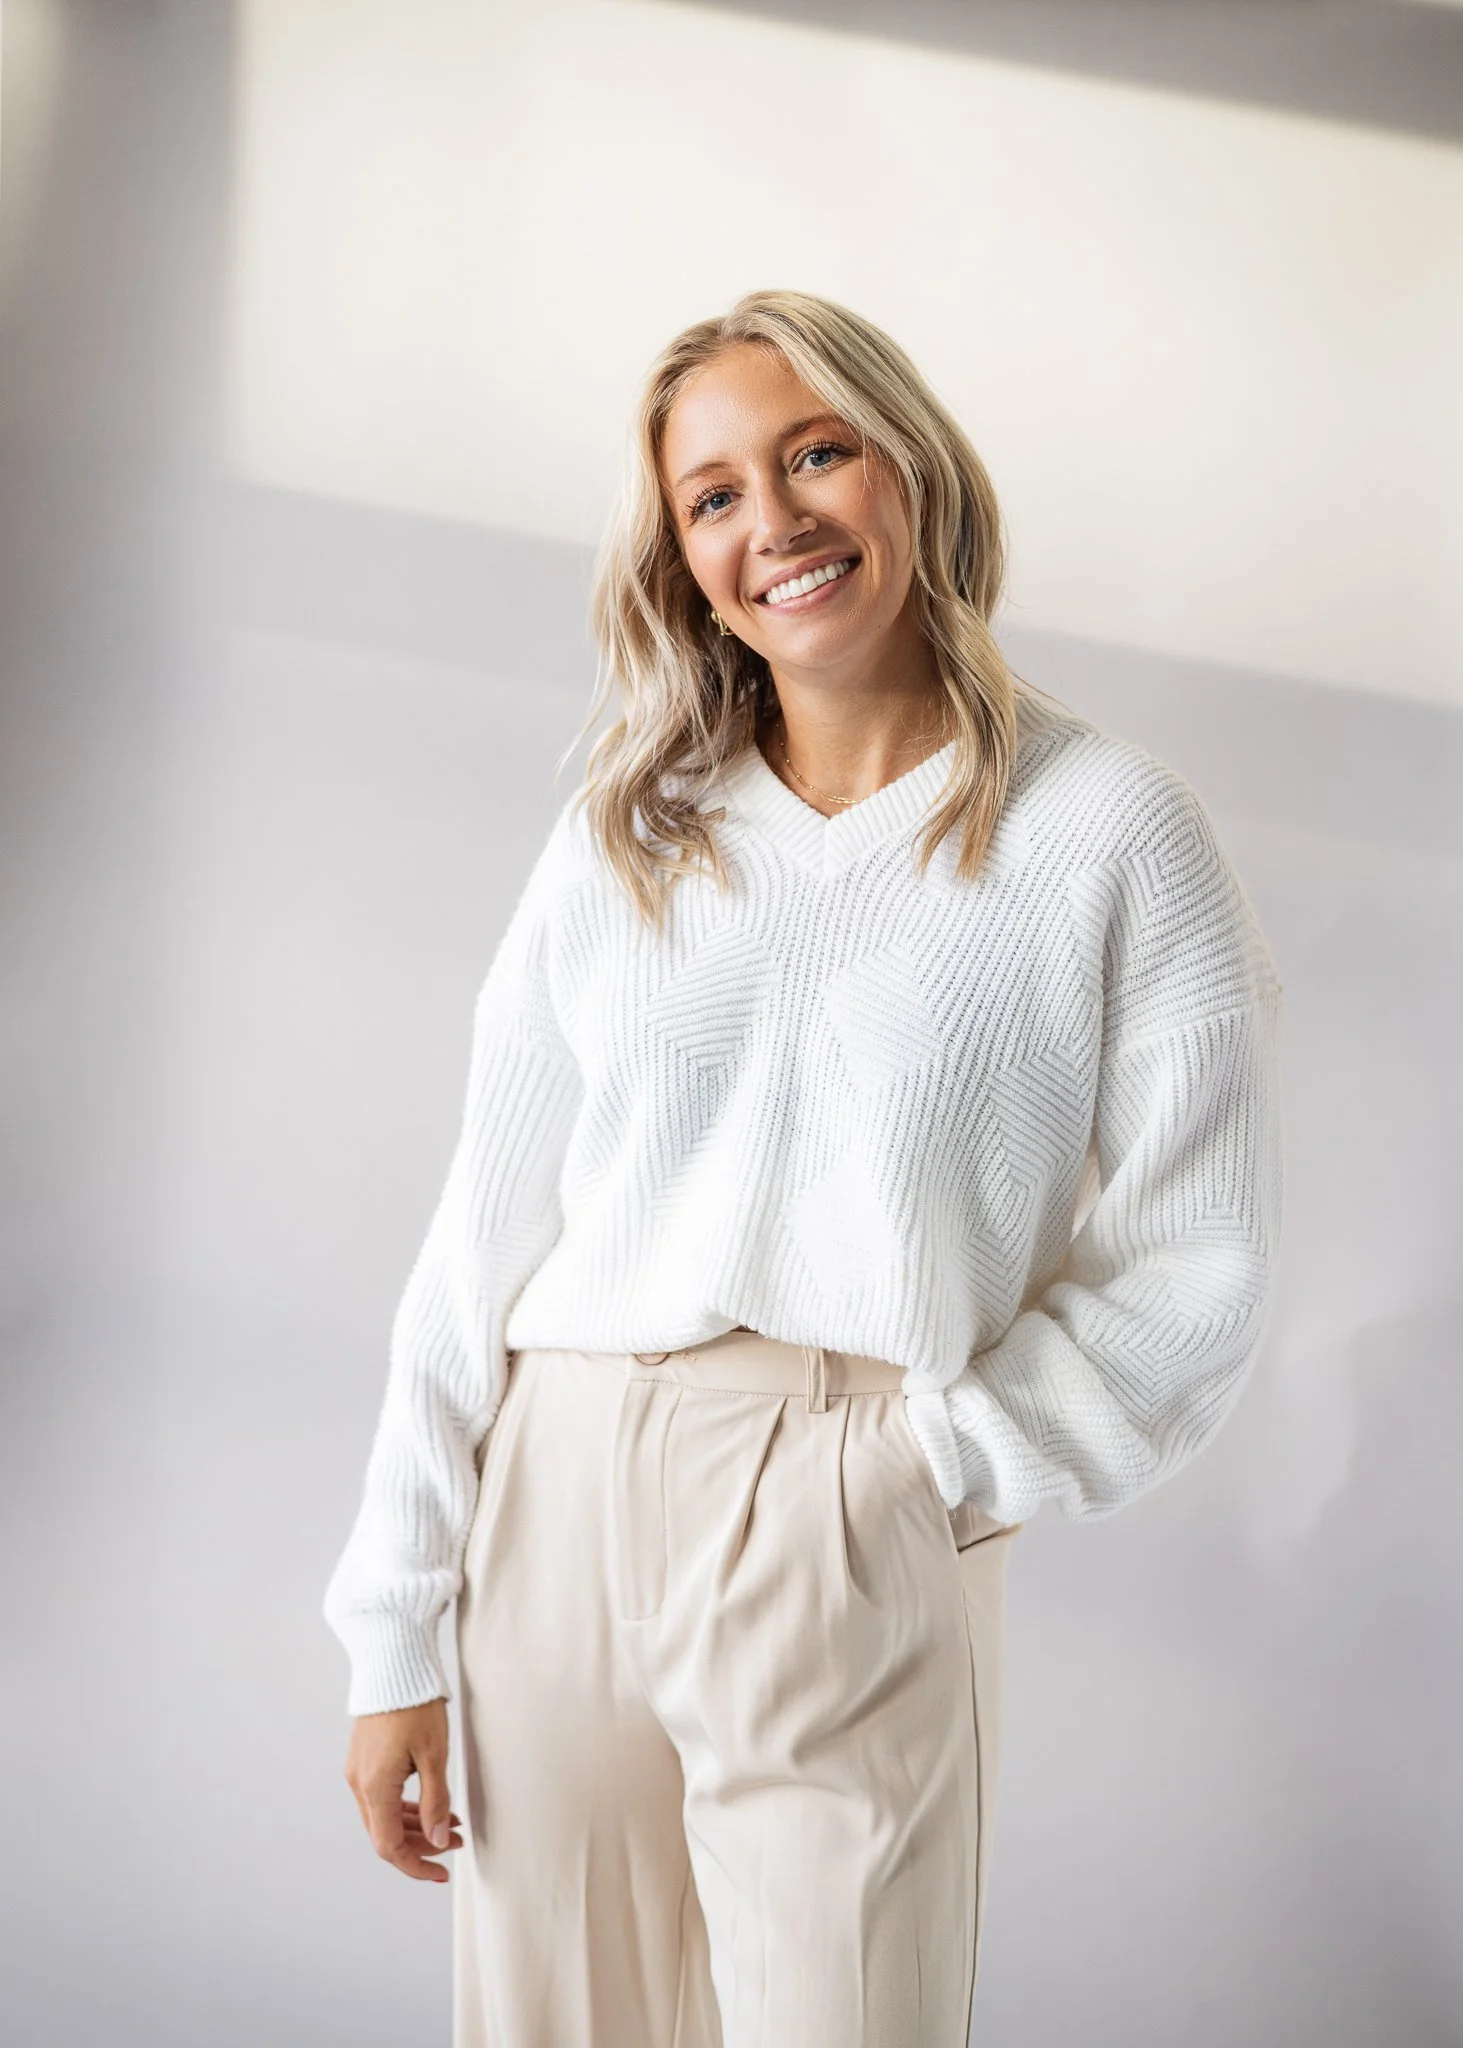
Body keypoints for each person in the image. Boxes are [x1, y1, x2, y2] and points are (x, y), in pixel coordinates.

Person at [324, 289, 1284, 2048]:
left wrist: (923, 1471)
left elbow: (1191, 1269)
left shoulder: (1107, 832)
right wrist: (394, 1624)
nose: (772, 522)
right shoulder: (628, 835)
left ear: (908, 468)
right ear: (681, 559)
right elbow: (481, 1237)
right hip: (554, 1489)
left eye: (815, 451)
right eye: (712, 496)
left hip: (852, 1489)